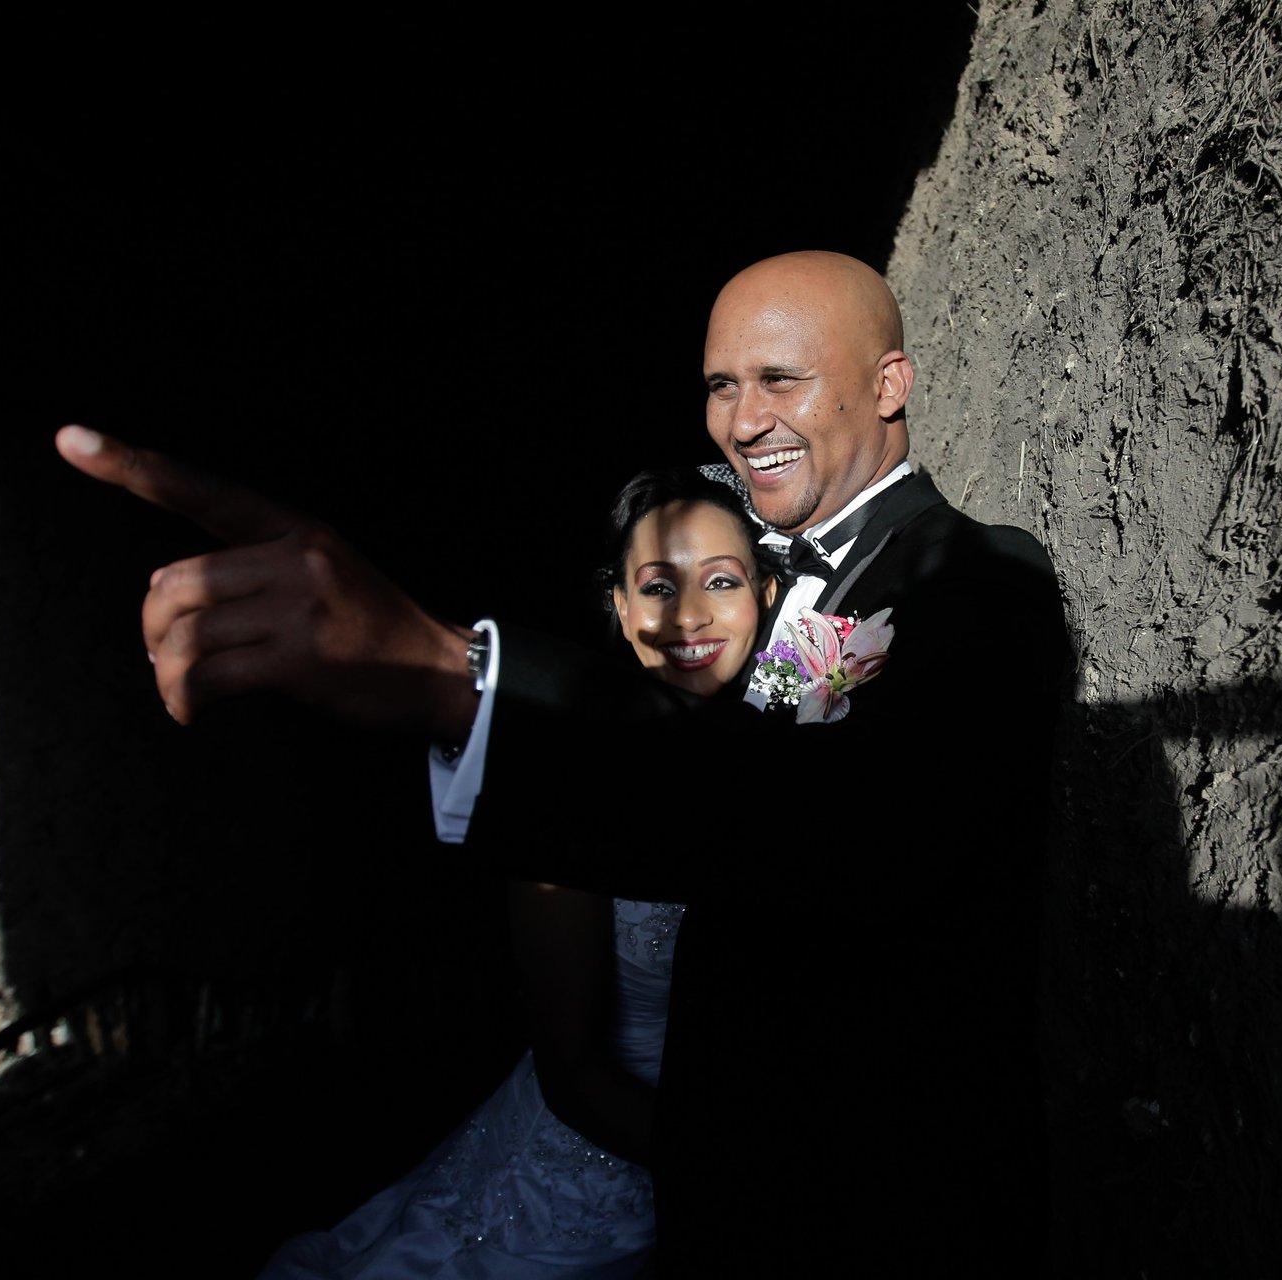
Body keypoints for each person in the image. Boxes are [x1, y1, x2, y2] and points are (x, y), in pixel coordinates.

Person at [57, 249, 1073, 1273]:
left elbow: (844, 831)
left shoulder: (984, 577)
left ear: (890, 384)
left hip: (888, 1210)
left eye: (779, 379)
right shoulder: (753, 601)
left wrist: (457, 676)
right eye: (721, 385)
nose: (742, 419)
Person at [257, 466, 782, 1279]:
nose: (688, 616)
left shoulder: (795, 763)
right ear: (619, 606)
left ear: (768, 593)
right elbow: (574, 1075)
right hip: (588, 1198)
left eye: (721, 581)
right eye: (656, 587)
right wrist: (754, 1174)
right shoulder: (563, 787)